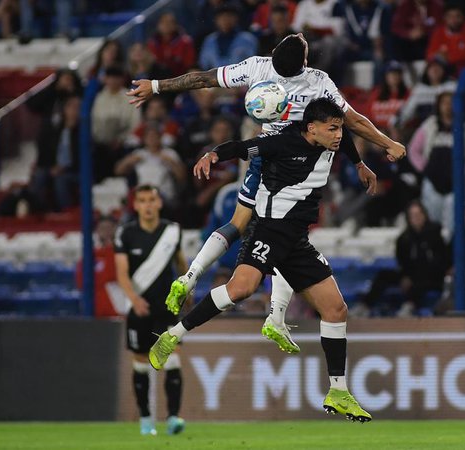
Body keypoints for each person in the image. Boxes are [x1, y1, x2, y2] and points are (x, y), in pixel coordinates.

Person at [127, 33, 405, 353]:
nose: (301, 37)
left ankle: (192, 278)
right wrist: (387, 144)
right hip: (293, 168)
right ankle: (274, 315)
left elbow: (202, 79)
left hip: (262, 157)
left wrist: (157, 86)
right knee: (281, 236)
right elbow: (352, 121)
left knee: (240, 223)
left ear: (273, 55)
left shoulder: (257, 67)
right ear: (303, 62)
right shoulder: (317, 82)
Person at [150, 98, 372, 423]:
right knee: (239, 290)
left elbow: (347, 139)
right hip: (268, 229)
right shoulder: (283, 143)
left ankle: (338, 391)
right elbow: (244, 146)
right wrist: (214, 154)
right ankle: (173, 335)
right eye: (333, 128)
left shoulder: (332, 141)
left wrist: (359, 164)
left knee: (336, 309)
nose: (339, 135)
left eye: (340, 128)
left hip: (295, 240)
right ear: (312, 128)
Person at [114, 184, 188, 436]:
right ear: (135, 205)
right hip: (139, 308)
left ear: (159, 203)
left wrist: (187, 286)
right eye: (142, 200)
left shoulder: (172, 231)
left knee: (174, 358)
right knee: (141, 363)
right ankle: (146, 420)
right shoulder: (125, 234)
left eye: (151, 200)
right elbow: (121, 272)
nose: (147, 205)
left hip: (166, 306)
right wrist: (134, 299)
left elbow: (180, 262)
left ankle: (174, 418)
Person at [408, 91, 465, 232]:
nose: (447, 106)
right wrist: (425, 168)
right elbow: (413, 150)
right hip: (433, 179)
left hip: (456, 181)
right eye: (444, 102)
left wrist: (463, 174)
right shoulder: (429, 126)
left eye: (451, 102)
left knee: (454, 220)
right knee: (433, 218)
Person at [198, 4, 258, 70]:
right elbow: (204, 65)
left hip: (242, 78)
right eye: (222, 17)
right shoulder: (209, 40)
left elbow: (254, 65)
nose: (225, 19)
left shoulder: (247, 39)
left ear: (236, 18)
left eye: (229, 16)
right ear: (216, 20)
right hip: (214, 78)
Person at [425, 4, 465, 72]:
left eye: (457, 16)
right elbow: (429, 55)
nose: (454, 20)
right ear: (445, 18)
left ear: (463, 17)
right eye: (450, 16)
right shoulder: (439, 32)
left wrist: (448, 57)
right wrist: (438, 56)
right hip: (444, 72)